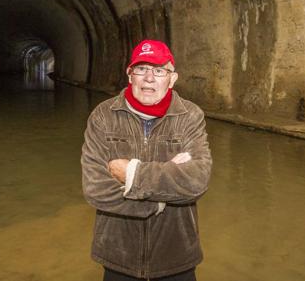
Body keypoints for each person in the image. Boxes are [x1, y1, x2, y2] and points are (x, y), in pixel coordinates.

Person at [81, 40, 212, 281]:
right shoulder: (103, 116)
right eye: (141, 69)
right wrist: (159, 201)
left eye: (160, 70)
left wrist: (131, 173)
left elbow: (197, 181)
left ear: (172, 78)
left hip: (176, 257)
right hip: (118, 257)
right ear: (130, 75)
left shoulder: (190, 116)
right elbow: (95, 190)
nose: (149, 78)